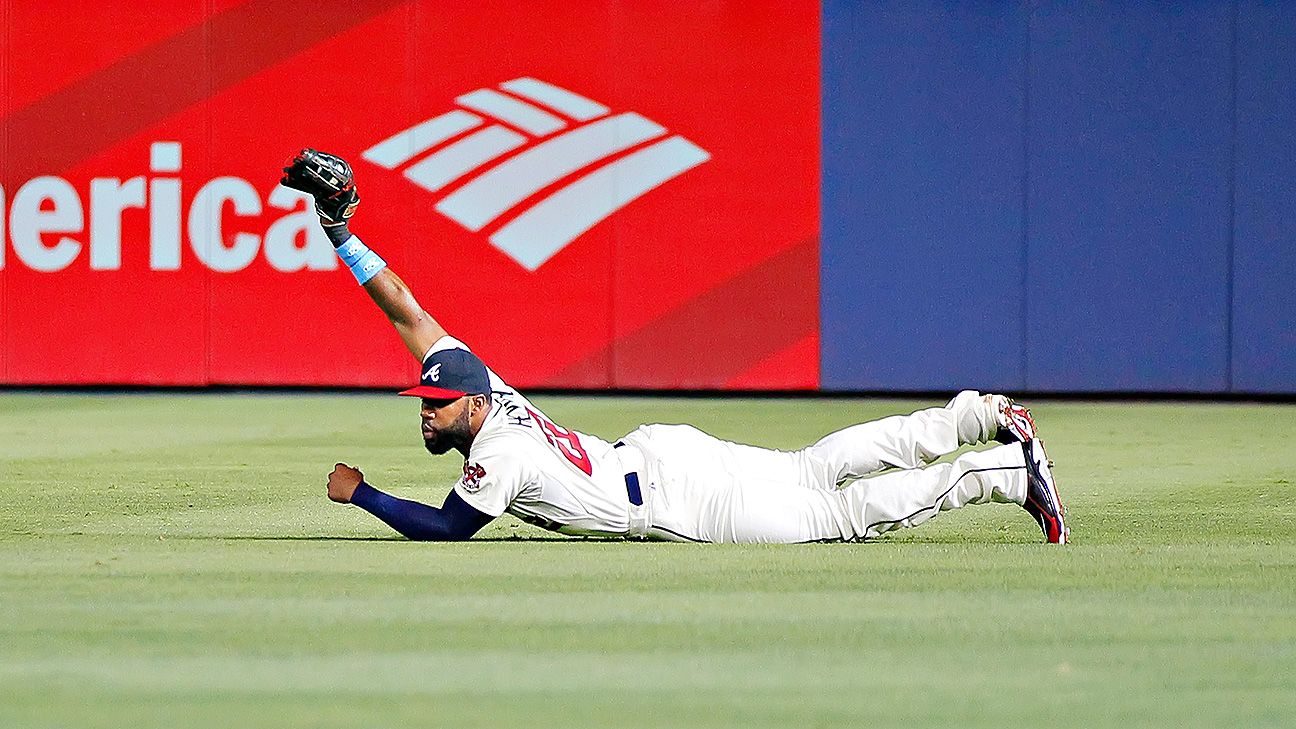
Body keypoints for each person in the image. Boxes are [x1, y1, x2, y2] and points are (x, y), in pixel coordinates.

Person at [280, 149, 1070, 545]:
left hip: (676, 499)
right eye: (426, 402)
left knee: (839, 513)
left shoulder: (496, 453)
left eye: (437, 403)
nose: (427, 413)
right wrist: (340, 229)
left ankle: (998, 469)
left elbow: (448, 530)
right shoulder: (491, 388)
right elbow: (411, 317)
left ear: (474, 402)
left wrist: (365, 494)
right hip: (663, 452)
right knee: (815, 466)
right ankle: (981, 414)